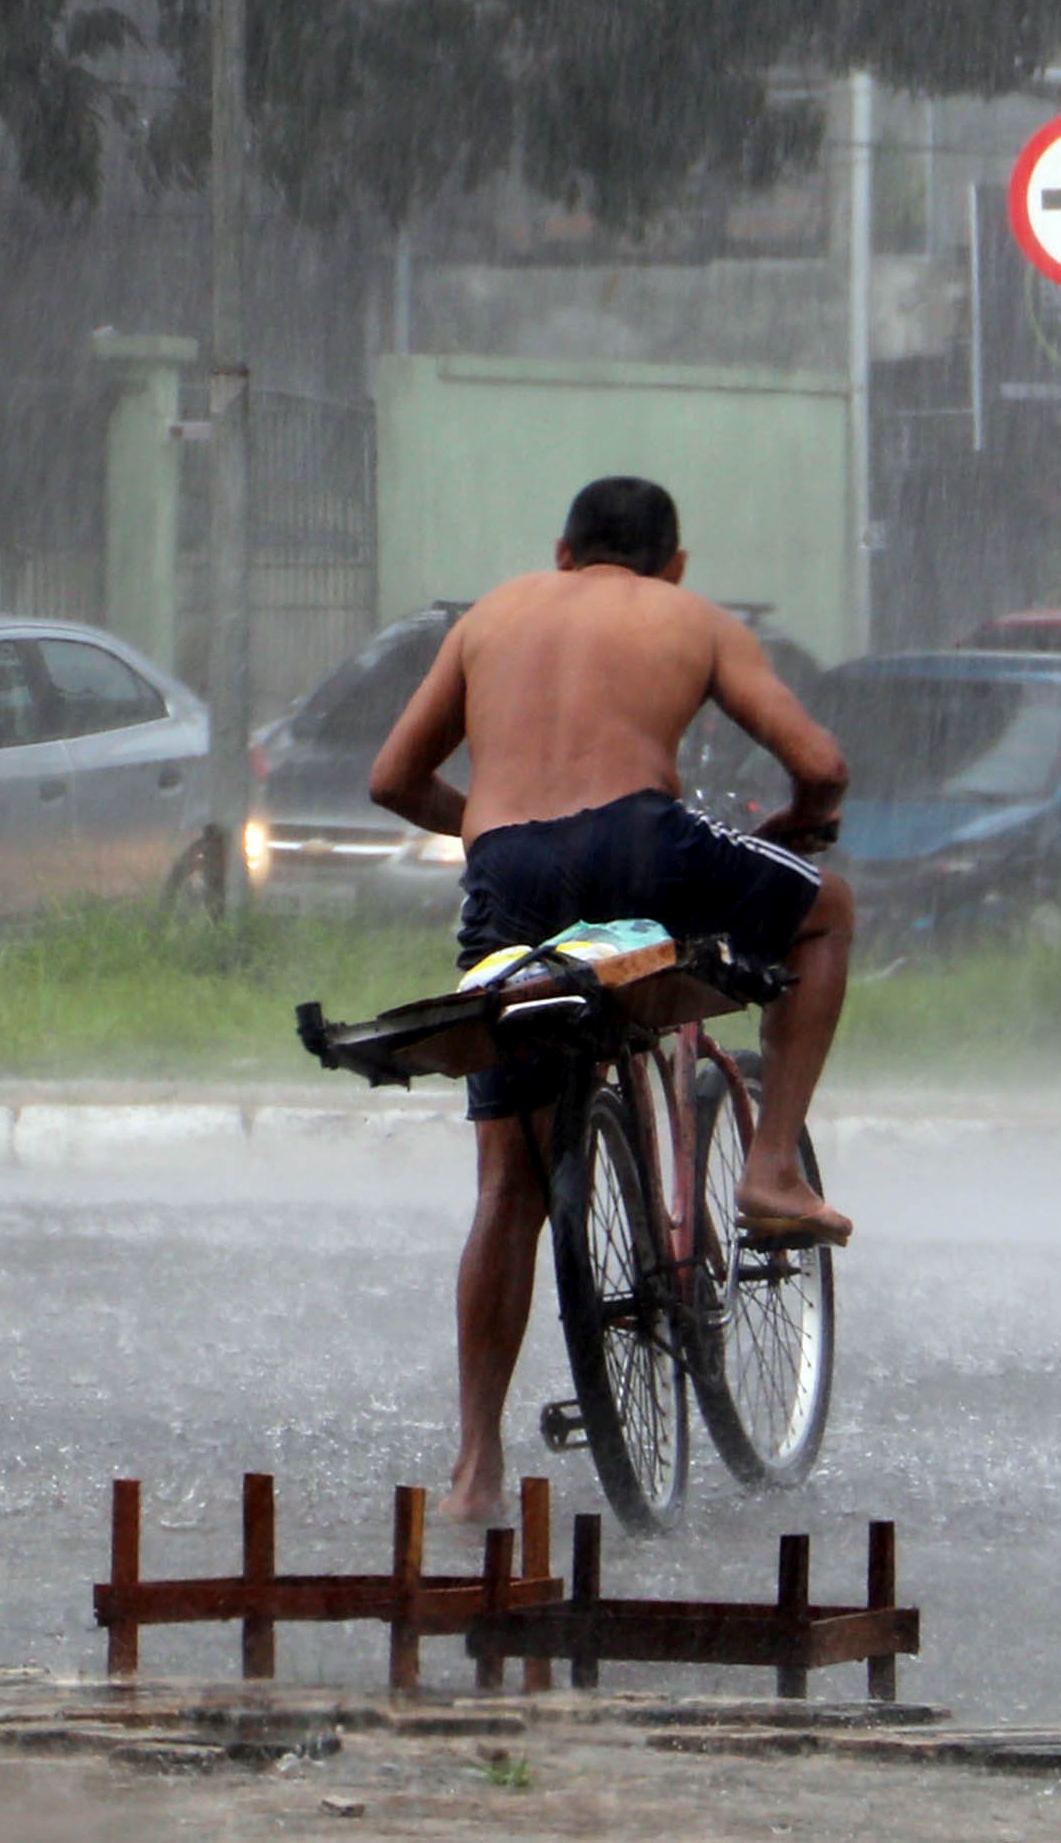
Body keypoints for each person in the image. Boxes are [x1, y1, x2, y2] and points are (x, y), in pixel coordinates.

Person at [366, 473, 854, 1527]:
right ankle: (769, 1168)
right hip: (640, 839)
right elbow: (820, 761)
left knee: (507, 1188)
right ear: (671, 562)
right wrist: (799, 825)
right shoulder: (688, 614)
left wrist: (508, 832)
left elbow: (392, 777)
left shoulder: (493, 612)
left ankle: (472, 1469)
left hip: (507, 874)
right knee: (826, 912)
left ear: (561, 551)